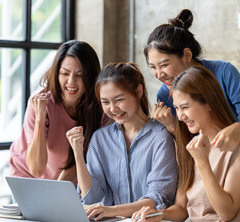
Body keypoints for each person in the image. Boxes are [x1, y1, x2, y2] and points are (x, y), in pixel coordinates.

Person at [145, 9, 240, 188]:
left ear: (187, 55)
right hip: (206, 171)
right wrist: (172, 127)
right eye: (152, 67)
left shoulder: (225, 73)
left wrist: (239, 129)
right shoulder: (165, 94)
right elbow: (186, 148)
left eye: (164, 65)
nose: (159, 74)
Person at [132, 66, 240, 222]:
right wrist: (159, 213)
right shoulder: (193, 145)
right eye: (177, 108)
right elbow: (182, 209)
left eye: (185, 107)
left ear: (209, 102)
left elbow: (227, 212)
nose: (180, 116)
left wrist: (202, 161)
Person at [66, 62, 178, 221]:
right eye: (105, 102)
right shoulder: (100, 138)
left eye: (119, 100)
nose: (113, 108)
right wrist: (78, 153)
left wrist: (113, 210)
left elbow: (158, 196)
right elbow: (91, 197)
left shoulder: (160, 135)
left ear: (138, 91)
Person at [9, 40, 105, 183]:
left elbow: (88, 157)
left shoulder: (99, 108)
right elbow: (36, 169)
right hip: (27, 176)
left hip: (65, 180)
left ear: (91, 77)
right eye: (65, 73)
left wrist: (59, 187)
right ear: (56, 73)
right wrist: (40, 118)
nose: (71, 82)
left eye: (79, 75)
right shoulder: (40, 104)